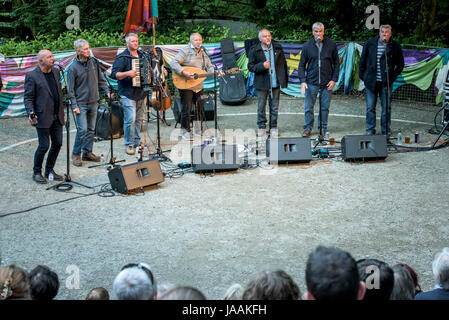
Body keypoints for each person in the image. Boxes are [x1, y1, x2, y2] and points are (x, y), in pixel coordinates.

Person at [169, 33, 222, 140]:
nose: (199, 42)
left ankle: (198, 129)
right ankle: (185, 131)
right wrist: (183, 72)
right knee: (186, 108)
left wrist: (216, 72)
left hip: (198, 84)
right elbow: (173, 63)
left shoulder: (203, 52)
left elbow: (209, 66)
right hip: (185, 84)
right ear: (191, 41)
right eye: (196, 40)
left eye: (200, 40)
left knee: (200, 107)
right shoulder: (186, 51)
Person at [24, 49, 65, 184]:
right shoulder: (32, 76)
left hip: (57, 115)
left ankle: (49, 170)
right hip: (42, 116)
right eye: (49, 57)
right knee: (44, 145)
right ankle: (36, 172)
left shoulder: (56, 71)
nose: (52, 59)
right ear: (40, 61)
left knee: (58, 143)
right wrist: (30, 112)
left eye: (52, 56)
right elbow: (28, 97)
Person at [67, 39, 110, 167]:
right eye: (85, 49)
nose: (88, 51)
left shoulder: (93, 63)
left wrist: (107, 90)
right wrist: (74, 106)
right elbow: (70, 89)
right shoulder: (72, 68)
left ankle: (87, 152)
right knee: (83, 129)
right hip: (80, 103)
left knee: (91, 129)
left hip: (93, 101)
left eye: (88, 48)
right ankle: (76, 154)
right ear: (78, 51)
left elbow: (101, 80)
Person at [359, 24, 404, 137]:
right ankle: (370, 129)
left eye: (387, 32)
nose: (384, 34)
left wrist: (392, 78)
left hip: (386, 83)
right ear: (379, 33)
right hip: (371, 82)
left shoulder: (395, 46)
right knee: (370, 107)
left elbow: (400, 65)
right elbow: (362, 61)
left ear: (390, 34)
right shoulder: (370, 43)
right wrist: (363, 77)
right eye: (382, 32)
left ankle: (385, 130)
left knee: (386, 108)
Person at [298, 22, 339, 138]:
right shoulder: (307, 46)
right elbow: (301, 65)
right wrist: (303, 81)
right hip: (311, 82)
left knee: (325, 107)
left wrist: (334, 79)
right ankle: (307, 128)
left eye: (320, 31)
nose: (318, 33)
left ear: (323, 32)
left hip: (327, 82)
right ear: (312, 32)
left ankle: (323, 128)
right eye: (316, 31)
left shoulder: (331, 44)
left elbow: (336, 63)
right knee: (309, 107)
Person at [248, 29, 288, 138]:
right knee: (261, 106)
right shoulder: (254, 50)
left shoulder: (277, 48)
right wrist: (262, 66)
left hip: (275, 83)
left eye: (269, 36)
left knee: (274, 107)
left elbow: (284, 64)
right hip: (262, 84)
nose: (268, 38)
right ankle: (261, 127)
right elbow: (250, 67)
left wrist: (284, 79)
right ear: (260, 39)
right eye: (265, 36)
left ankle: (273, 127)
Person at [111, 33, 145, 155]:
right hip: (127, 92)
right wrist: (128, 73)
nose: (135, 43)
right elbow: (114, 74)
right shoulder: (122, 57)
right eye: (132, 41)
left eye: (136, 41)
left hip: (141, 92)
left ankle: (136, 141)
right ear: (127, 43)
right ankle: (129, 144)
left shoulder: (142, 55)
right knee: (130, 119)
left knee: (138, 119)